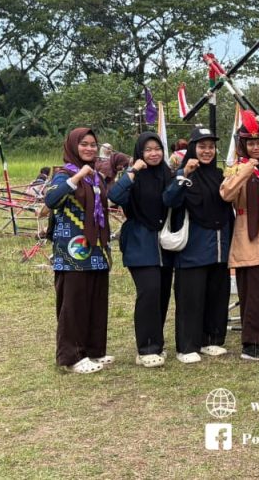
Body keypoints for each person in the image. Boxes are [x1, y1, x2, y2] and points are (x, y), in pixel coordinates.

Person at [46, 128, 113, 374]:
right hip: (71, 251)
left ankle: (94, 351)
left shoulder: (95, 177)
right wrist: (76, 179)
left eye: (93, 145)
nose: (89, 149)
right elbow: (51, 201)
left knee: (96, 299)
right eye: (84, 144)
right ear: (73, 147)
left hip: (96, 249)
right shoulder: (64, 174)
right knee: (73, 303)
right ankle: (71, 356)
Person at [164, 126, 233, 363]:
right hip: (193, 248)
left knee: (216, 294)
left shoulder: (220, 175)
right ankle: (187, 345)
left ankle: (211, 340)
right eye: (202, 146)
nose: (207, 151)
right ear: (193, 148)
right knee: (191, 297)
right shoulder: (184, 174)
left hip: (218, 246)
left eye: (211, 147)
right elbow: (169, 199)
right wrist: (183, 174)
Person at [108, 132, 173, 368]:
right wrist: (132, 171)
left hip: (165, 243)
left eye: (158, 148)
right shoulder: (133, 176)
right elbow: (114, 196)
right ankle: (145, 348)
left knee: (162, 293)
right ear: (140, 153)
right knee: (149, 291)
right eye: (148, 150)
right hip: (139, 241)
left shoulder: (167, 174)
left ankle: (157, 344)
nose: (154, 153)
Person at [220, 111, 259, 361]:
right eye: (251, 143)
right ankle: (250, 343)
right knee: (252, 292)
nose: (256, 147)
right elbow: (226, 194)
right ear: (243, 145)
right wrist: (245, 170)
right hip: (247, 235)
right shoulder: (235, 169)